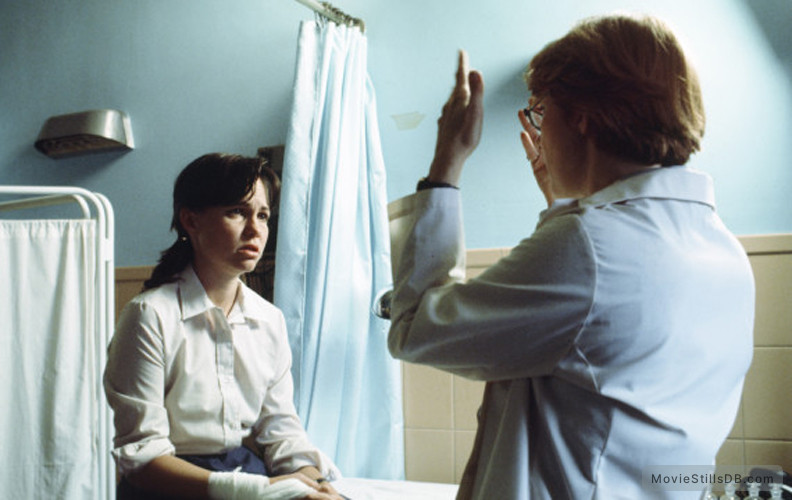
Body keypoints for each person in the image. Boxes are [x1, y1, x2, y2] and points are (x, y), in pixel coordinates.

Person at [386, 15, 755, 499]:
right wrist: (566, 205)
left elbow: (413, 329)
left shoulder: (589, 247)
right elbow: (594, 358)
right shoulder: (723, 250)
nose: (540, 129)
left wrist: (445, 165)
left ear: (580, 115)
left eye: (541, 110)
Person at [104, 153, 344, 500]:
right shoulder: (149, 316)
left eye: (263, 216)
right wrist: (261, 490)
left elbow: (281, 434)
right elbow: (143, 458)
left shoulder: (268, 319)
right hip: (170, 487)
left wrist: (315, 484)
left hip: (246, 475)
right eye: (237, 212)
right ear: (190, 220)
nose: (255, 229)